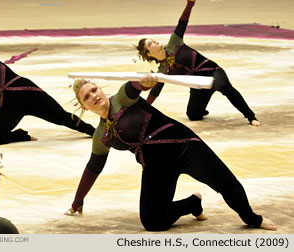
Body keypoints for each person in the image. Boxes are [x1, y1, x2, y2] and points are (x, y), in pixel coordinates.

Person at [64, 76, 276, 231]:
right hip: (156, 166)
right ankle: (192, 203)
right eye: (87, 96)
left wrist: (145, 82)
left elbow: (133, 87)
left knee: (226, 184)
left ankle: (252, 218)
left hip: (184, 146)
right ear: (82, 105)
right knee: (152, 222)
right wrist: (77, 201)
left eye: (94, 90)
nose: (94, 95)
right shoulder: (102, 135)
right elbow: (93, 169)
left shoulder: (121, 98)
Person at [0, 3, 95, 145]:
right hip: (7, 108)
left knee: (63, 118)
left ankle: (94, 132)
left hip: (29, 94)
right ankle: (21, 135)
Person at [136, 0, 261, 126]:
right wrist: (144, 110)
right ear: (149, 54)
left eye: (152, 39)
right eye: (150, 43)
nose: (155, 41)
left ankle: (250, 117)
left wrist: (189, 4)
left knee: (223, 86)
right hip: (199, 86)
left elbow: (182, 23)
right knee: (193, 115)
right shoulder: (163, 70)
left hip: (213, 72)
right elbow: (154, 93)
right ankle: (203, 108)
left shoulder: (174, 43)